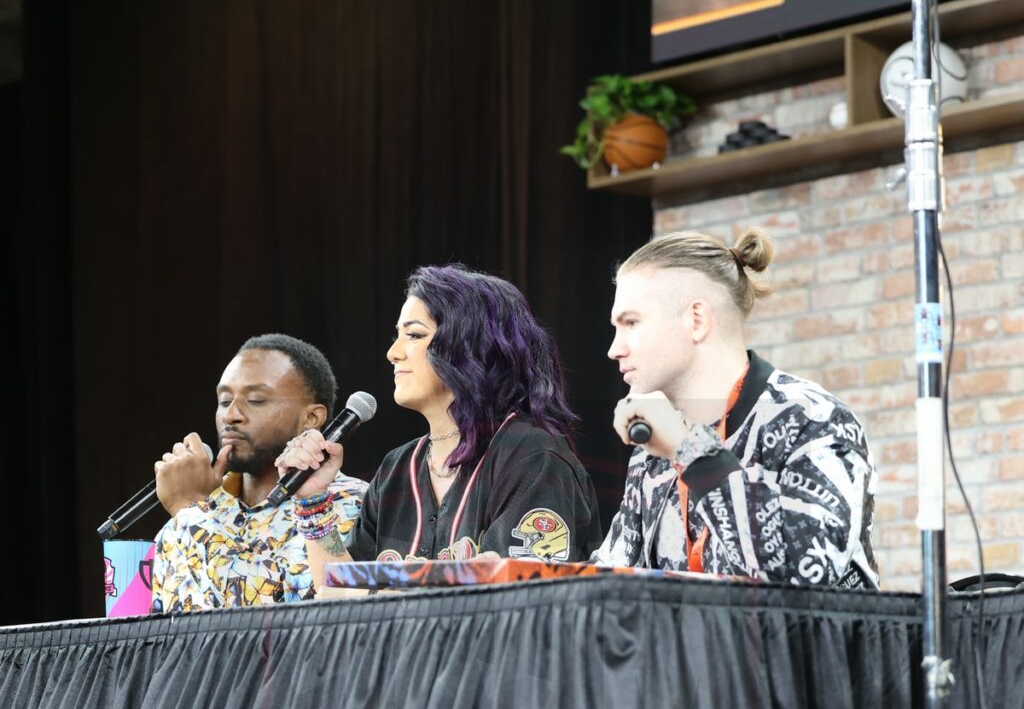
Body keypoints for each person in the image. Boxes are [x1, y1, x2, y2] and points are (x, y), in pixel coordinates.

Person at [276, 265, 603, 592]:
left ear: (471, 346)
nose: (393, 353)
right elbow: (344, 600)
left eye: (414, 335)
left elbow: (521, 607)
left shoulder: (531, 458)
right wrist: (313, 501)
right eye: (398, 336)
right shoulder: (397, 468)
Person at [593, 228, 879, 588]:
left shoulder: (813, 420)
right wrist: (508, 575)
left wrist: (688, 451)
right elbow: (607, 580)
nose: (614, 349)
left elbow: (799, 579)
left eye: (631, 323)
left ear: (696, 320)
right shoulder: (654, 446)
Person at [150, 334, 369, 612]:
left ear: (311, 418)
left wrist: (188, 508)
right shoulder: (204, 509)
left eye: (255, 400)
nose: (231, 415)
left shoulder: (349, 502)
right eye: (224, 400)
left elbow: (265, 622)